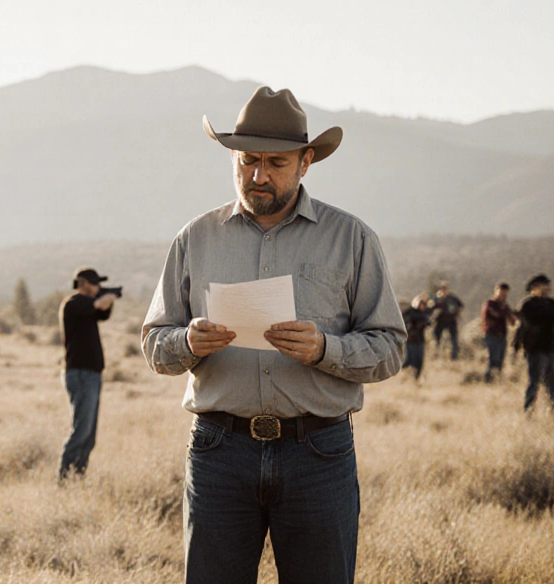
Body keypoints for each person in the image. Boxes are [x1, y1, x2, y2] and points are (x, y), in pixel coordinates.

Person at [142, 86, 404, 584]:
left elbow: (389, 348)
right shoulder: (195, 238)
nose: (258, 176)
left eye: (275, 163)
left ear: (306, 162)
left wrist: (326, 349)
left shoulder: (351, 239)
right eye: (247, 161)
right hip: (219, 453)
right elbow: (155, 341)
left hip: (318, 455)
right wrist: (187, 344)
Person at [58, 267, 117, 479]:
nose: (97, 287)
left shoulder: (87, 307)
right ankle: (64, 479)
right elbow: (98, 305)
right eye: (93, 283)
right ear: (82, 283)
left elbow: (103, 312)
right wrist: (108, 296)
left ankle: (77, 477)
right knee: (81, 431)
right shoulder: (74, 303)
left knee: (89, 436)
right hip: (81, 374)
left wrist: (110, 298)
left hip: (91, 374)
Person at [515, 274, 554, 411]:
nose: (548, 289)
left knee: (552, 384)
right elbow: (533, 320)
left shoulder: (551, 303)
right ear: (535, 288)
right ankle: (528, 410)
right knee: (534, 382)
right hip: (535, 348)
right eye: (544, 286)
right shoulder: (528, 304)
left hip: (550, 347)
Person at [482, 282, 517, 383]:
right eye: (501, 292)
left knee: (501, 360)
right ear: (496, 292)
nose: (503, 295)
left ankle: (496, 380)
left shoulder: (504, 306)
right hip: (491, 335)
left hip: (502, 335)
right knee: (494, 359)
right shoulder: (490, 303)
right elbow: (496, 314)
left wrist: (513, 316)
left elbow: (512, 320)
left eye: (505, 293)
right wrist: (505, 310)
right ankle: (488, 380)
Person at [430, 281, 464, 360]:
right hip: (442, 320)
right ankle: (436, 354)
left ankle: (454, 356)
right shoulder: (438, 298)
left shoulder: (452, 298)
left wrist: (457, 315)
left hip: (450, 321)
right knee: (437, 338)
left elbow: (461, 306)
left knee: (453, 339)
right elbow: (431, 308)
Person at [402, 295, 432, 379]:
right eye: (422, 305)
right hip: (411, 340)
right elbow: (406, 324)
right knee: (410, 360)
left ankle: (415, 378)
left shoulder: (423, 315)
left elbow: (428, 322)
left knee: (419, 360)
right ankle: (404, 376)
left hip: (420, 340)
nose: (423, 307)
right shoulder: (410, 313)